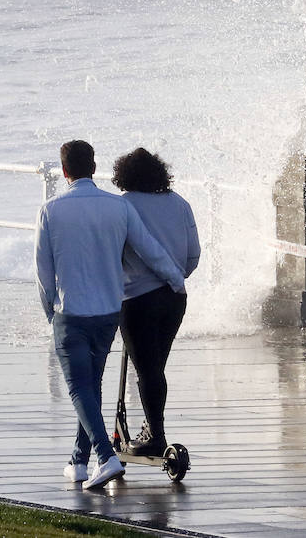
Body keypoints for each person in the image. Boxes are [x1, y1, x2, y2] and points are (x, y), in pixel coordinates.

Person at [35, 140, 186, 491]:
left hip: (71, 311)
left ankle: (105, 457)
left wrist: (49, 313)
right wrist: (176, 281)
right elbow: (150, 250)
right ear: (94, 166)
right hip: (107, 313)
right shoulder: (117, 207)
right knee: (90, 386)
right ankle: (78, 459)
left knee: (78, 387)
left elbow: (43, 273)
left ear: (64, 171)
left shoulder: (51, 210)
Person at [112, 147, 201, 457]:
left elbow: (115, 251)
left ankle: (156, 435)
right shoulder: (181, 204)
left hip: (136, 298)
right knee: (155, 367)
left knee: (147, 369)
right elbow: (193, 255)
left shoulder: (122, 205)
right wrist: (176, 275)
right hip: (175, 298)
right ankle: (152, 428)